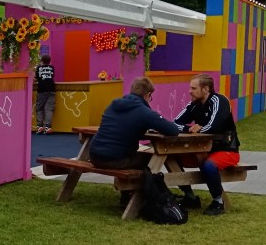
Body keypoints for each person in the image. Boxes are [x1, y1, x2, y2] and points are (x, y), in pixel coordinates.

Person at [172, 74, 240, 216]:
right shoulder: (194, 104)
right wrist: (187, 129)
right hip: (200, 151)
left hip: (227, 150)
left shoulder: (219, 100)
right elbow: (174, 123)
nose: (190, 91)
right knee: (172, 157)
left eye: (194, 88)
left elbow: (213, 126)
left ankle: (218, 202)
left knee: (208, 166)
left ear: (206, 89)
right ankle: (190, 197)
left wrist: (198, 128)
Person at [89, 77, 180, 170]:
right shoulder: (144, 112)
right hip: (116, 159)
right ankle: (155, 184)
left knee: (141, 157)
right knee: (155, 158)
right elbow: (173, 130)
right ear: (148, 95)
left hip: (94, 156)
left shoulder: (112, 105)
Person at [34, 54, 56, 134]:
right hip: (51, 88)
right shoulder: (52, 68)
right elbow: (52, 76)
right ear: (49, 61)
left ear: (42, 61)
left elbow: (36, 77)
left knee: (39, 108)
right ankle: (48, 127)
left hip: (42, 89)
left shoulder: (39, 68)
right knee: (49, 109)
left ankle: (40, 127)